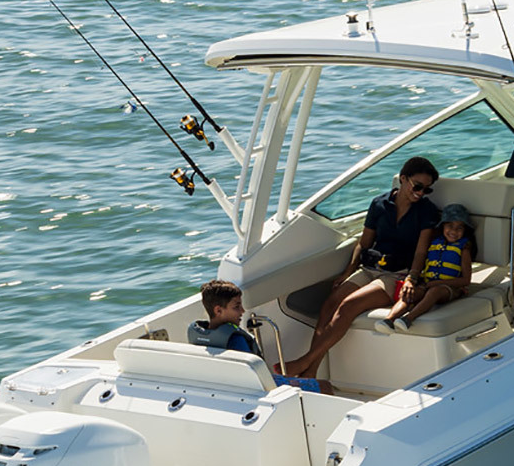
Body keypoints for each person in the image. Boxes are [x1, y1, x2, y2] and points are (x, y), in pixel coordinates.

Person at [285, 156, 439, 379]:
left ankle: (305, 363)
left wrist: (411, 278)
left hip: (398, 274)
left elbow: (421, 252)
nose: (421, 193)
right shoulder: (379, 204)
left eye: (427, 189)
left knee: (349, 305)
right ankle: (311, 371)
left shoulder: (427, 211)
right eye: (417, 186)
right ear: (403, 179)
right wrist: (348, 272)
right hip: (371, 268)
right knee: (329, 304)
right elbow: (364, 243)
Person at [188, 279, 321, 392]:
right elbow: (256, 379)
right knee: (325, 386)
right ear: (218, 310)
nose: (242, 311)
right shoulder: (236, 340)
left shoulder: (199, 335)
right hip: (260, 388)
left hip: (225, 387)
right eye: (236, 307)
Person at [380, 203, 474, 333]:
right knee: (410, 294)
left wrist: (436, 283)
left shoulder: (464, 248)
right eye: (450, 226)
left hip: (451, 288)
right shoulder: (434, 243)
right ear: (442, 226)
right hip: (428, 284)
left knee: (434, 292)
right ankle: (389, 320)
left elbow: (466, 280)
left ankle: (408, 319)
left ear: (465, 230)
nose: (454, 231)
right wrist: (413, 281)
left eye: (459, 228)